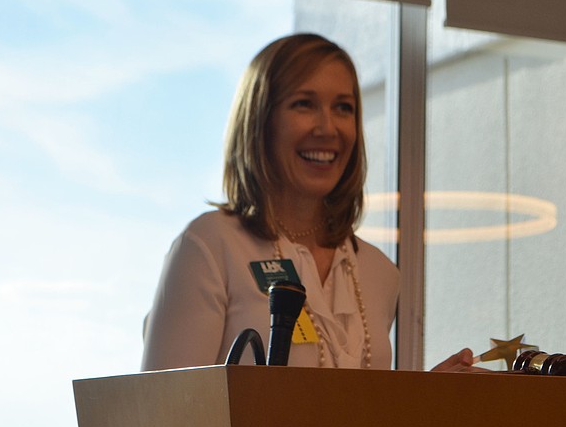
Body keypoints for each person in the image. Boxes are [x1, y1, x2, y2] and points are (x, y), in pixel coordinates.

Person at [141, 33, 472, 372]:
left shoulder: (379, 272)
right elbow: (164, 415)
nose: (327, 128)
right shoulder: (210, 245)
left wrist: (429, 401)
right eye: (304, 104)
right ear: (261, 120)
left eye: (343, 108)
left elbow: (366, 420)